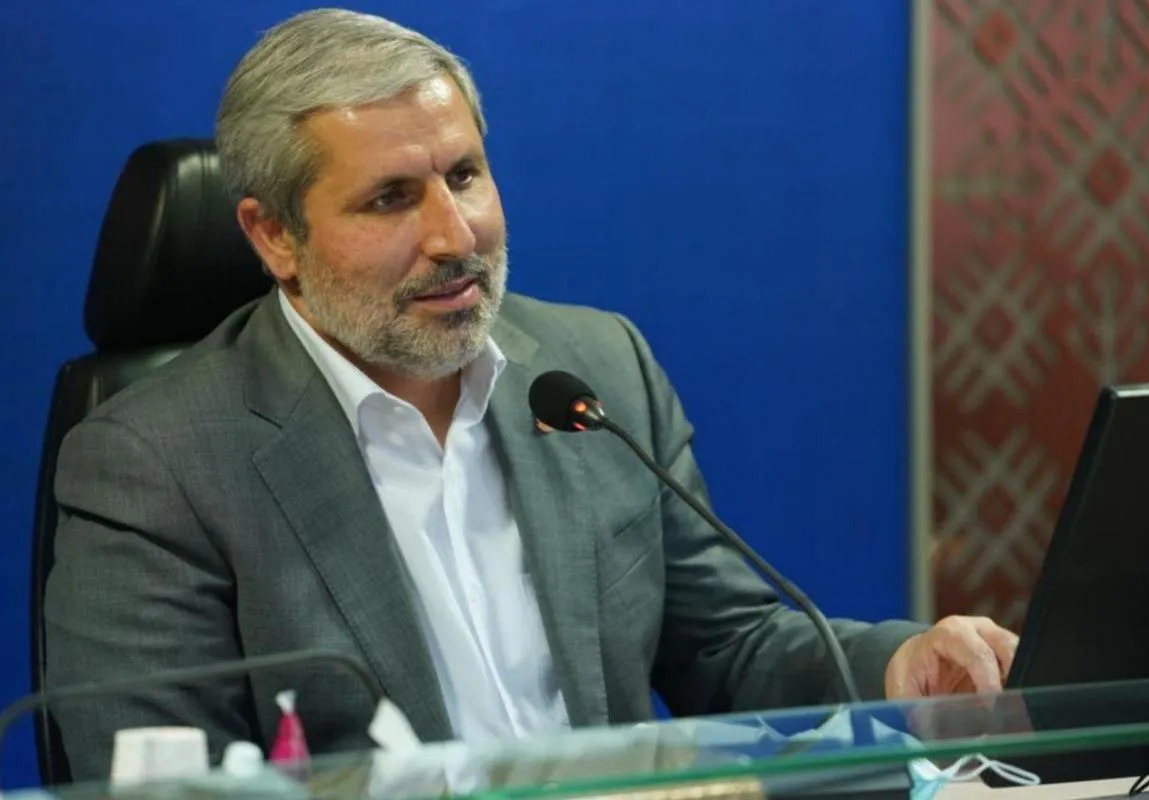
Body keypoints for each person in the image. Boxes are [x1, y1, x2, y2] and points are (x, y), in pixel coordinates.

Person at [44, 7, 1018, 781]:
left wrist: (898, 667)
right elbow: (157, 776)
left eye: (464, 175)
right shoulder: (157, 462)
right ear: (273, 236)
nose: (454, 234)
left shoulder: (594, 368)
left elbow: (726, 646)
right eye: (390, 198)